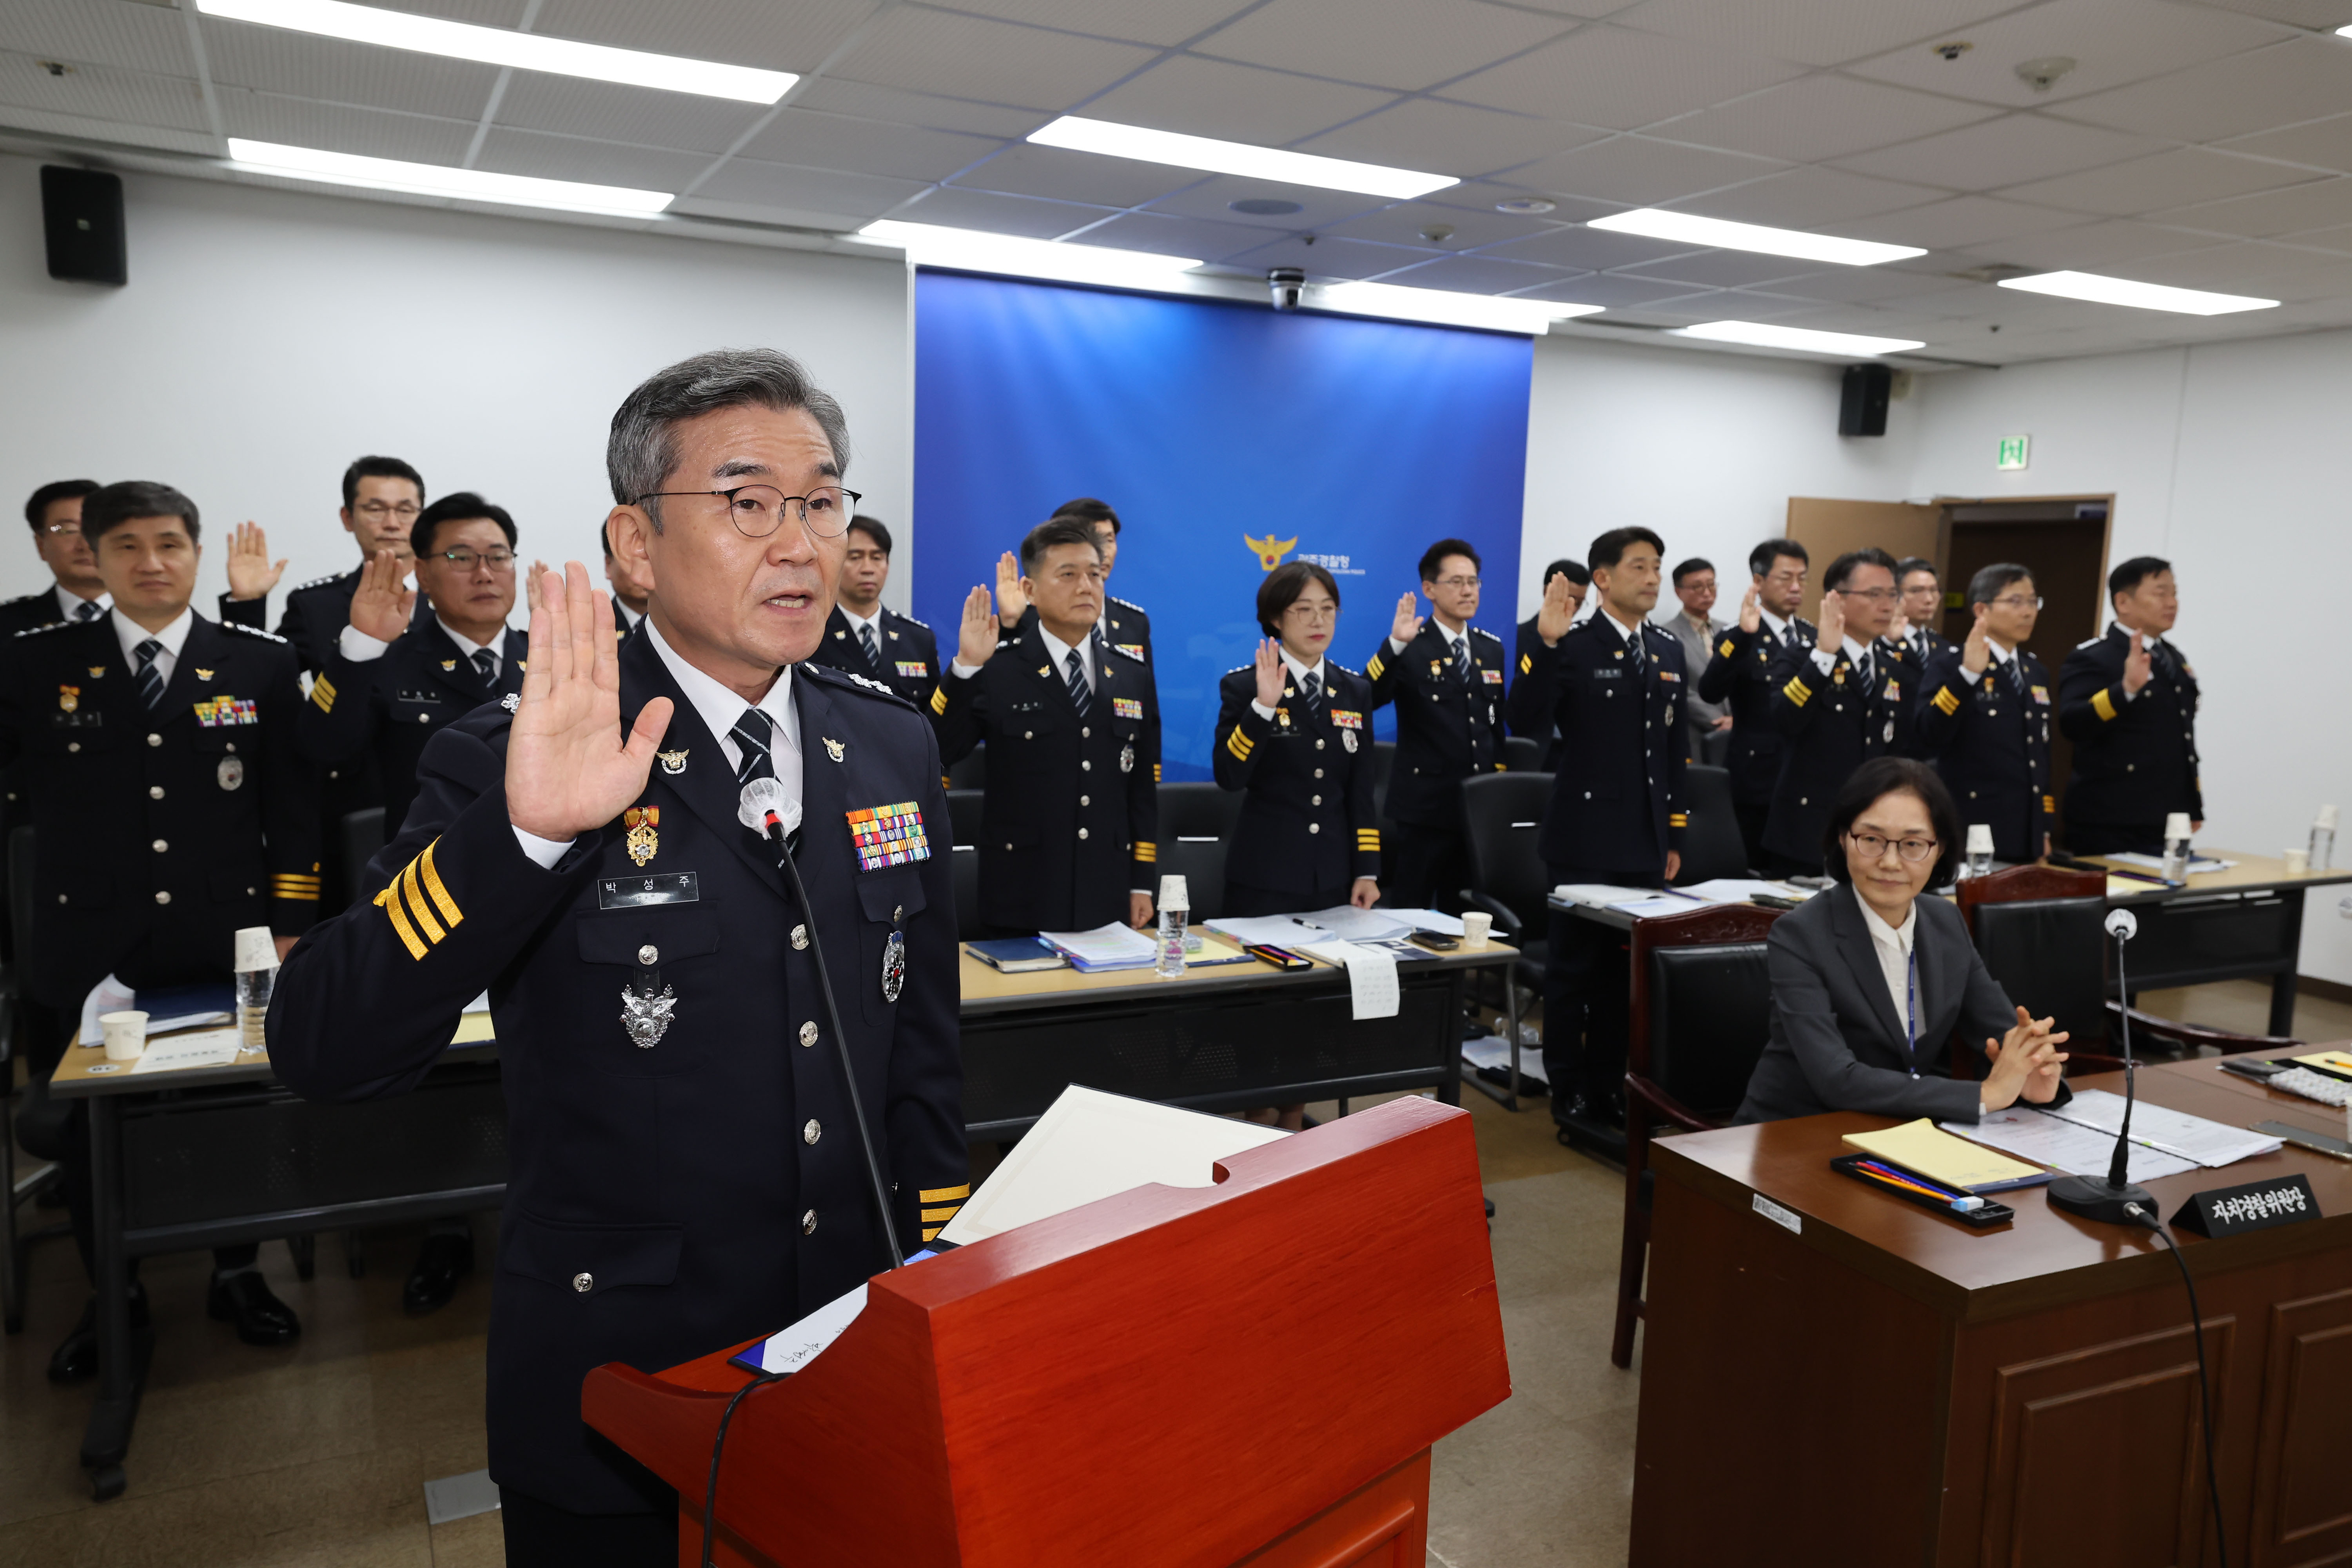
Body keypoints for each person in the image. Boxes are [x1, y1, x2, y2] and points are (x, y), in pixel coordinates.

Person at [268, 349, 967, 1567]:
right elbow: (320, 1044)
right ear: (633, 548)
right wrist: (526, 831)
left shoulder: (889, 745)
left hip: (849, 1349)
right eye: (748, 502)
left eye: (822, 500)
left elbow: (919, 1051)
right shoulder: (519, 753)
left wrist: (935, 1264)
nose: (799, 541)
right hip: (623, 1375)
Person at [2, 481, 322, 1377]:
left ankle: (236, 1271)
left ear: (195, 550)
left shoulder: (255, 660)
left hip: (223, 937)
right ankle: (117, 1292)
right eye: (129, 546)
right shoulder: (34, 662)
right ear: (94, 559)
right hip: (86, 942)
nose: (152, 563)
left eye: (171, 544)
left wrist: (292, 922)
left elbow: (293, 809)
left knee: (230, 1112)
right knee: (88, 1127)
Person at [1736, 757, 2071, 1124]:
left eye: (1912, 844)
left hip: (1895, 1132)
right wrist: (1985, 1094)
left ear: (1939, 849)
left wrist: (2034, 1075)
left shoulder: (1946, 921)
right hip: (1796, 1136)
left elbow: (2004, 1033)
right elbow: (1835, 1079)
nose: (1891, 862)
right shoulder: (1800, 934)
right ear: (1843, 839)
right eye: (1872, 840)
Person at [1506, 527, 1686, 1139]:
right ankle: (1568, 1090)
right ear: (1603, 579)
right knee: (1572, 974)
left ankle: (1610, 1084)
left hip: (1642, 842)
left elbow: (1673, 750)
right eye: (1639, 566)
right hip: (1582, 840)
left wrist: (1674, 835)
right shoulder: (1571, 644)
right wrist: (1547, 645)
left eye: (1657, 567)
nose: (1652, 578)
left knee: (1621, 978)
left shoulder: (1664, 649)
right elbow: (1524, 721)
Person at [936, 516, 1158, 933]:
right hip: (1021, 893)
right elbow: (939, 752)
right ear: (1030, 590)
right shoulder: (998, 667)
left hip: (1107, 893)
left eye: (1094, 574)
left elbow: (1141, 790)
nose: (1086, 587)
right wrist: (965, 667)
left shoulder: (1131, 673)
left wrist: (1142, 882)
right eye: (1068, 574)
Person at [307, 494, 530, 838]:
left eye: (499, 557)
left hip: (544, 871)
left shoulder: (550, 661)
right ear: (423, 574)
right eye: (462, 558)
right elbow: (325, 751)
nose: (484, 574)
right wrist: (362, 644)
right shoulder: (387, 662)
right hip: (425, 874)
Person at [1212, 561, 1380, 917]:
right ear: (1276, 618)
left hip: (1334, 878)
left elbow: (1361, 790)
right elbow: (1229, 777)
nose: (1318, 621)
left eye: (1327, 609)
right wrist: (1263, 708)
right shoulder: (1245, 686)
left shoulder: (1355, 691)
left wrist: (1367, 870)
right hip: (1265, 876)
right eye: (1304, 610)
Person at [1760, 547, 1917, 877]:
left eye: (1892, 594)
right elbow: (1785, 721)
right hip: (1809, 833)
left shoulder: (1895, 668)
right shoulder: (1802, 657)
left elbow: (1905, 750)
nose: (1887, 605)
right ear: (1837, 599)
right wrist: (1824, 657)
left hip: (1874, 836)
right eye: (1874, 594)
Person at [1367, 538, 1505, 910]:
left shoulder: (1491, 649)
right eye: (1456, 582)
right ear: (1429, 589)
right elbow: (1368, 697)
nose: (1467, 591)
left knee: (1463, 915)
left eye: (1473, 582)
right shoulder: (1412, 645)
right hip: (1425, 809)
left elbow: (1493, 725)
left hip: (1475, 808)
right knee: (1410, 912)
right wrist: (1394, 644)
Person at [221, 456, 425, 669]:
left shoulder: (453, 594)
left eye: (405, 511)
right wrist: (246, 604)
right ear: (348, 518)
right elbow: (262, 677)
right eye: (376, 509)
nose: (392, 523)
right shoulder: (315, 606)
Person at [2059, 557, 2201, 855]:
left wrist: (2191, 804)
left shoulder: (2173, 658)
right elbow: (2072, 722)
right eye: (2160, 593)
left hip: (2165, 816)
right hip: (2110, 818)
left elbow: (2183, 741)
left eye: (2174, 594)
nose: (2172, 603)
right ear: (2123, 601)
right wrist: (2124, 691)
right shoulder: (2094, 656)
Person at [1915, 564, 2053, 864]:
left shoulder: (2034, 670)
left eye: (2033, 601)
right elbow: (1928, 734)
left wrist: (2044, 827)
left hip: (2025, 830)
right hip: (1973, 828)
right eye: (2016, 602)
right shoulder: (1951, 665)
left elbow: (2040, 756)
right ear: (1981, 609)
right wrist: (1967, 676)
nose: (2028, 612)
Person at [1698, 539, 1813, 868]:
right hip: (1758, 780)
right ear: (1759, 582)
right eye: (1785, 577)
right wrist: (1743, 636)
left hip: (1804, 779)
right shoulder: (1739, 636)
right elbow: (1710, 691)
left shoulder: (1814, 638)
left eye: (1802, 578)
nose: (1795, 587)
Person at [806, 513, 938, 712]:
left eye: (877, 558)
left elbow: (934, 721)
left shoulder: (918, 639)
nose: (868, 568)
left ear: (887, 564)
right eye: (855, 557)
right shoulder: (812, 633)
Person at [4, 479, 110, 633]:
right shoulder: (6, 624)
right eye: (66, 529)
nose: (85, 545)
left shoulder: (153, 615)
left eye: (96, 528)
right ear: (41, 546)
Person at [1655, 556, 1730, 760]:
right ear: (1679, 592)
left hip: (1736, 733)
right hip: (1694, 733)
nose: (1707, 593)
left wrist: (1736, 719)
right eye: (1697, 587)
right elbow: (1678, 688)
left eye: (1711, 585)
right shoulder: (1666, 635)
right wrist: (1717, 720)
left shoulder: (1729, 630)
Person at [1514, 557, 1587, 770]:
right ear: (1550, 591)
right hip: (1535, 748)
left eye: (1581, 603)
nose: (1574, 608)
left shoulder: (1585, 640)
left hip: (1576, 750)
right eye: (1570, 598)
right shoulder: (1518, 637)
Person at [1893, 557, 1952, 667]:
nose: (1929, 600)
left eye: (1934, 590)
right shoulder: (1882, 642)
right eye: (1916, 591)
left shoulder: (1942, 645)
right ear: (1894, 594)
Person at [601, 517, 649, 640]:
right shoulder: (591, 632)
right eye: (632, 560)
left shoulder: (690, 628)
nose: (642, 570)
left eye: (650, 557)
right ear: (608, 565)